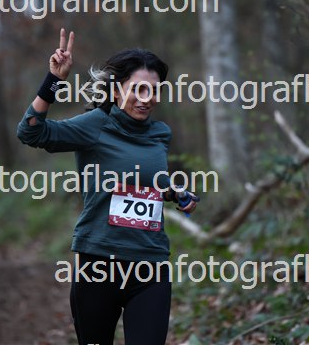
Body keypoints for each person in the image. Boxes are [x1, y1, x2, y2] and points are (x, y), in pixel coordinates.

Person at [17, 28, 199, 345]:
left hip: (150, 266)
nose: (147, 98)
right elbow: (31, 132)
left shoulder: (160, 134)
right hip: (98, 265)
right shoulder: (95, 125)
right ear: (116, 91)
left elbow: (146, 181)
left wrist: (174, 192)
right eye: (138, 89)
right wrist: (54, 80)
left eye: (154, 90)